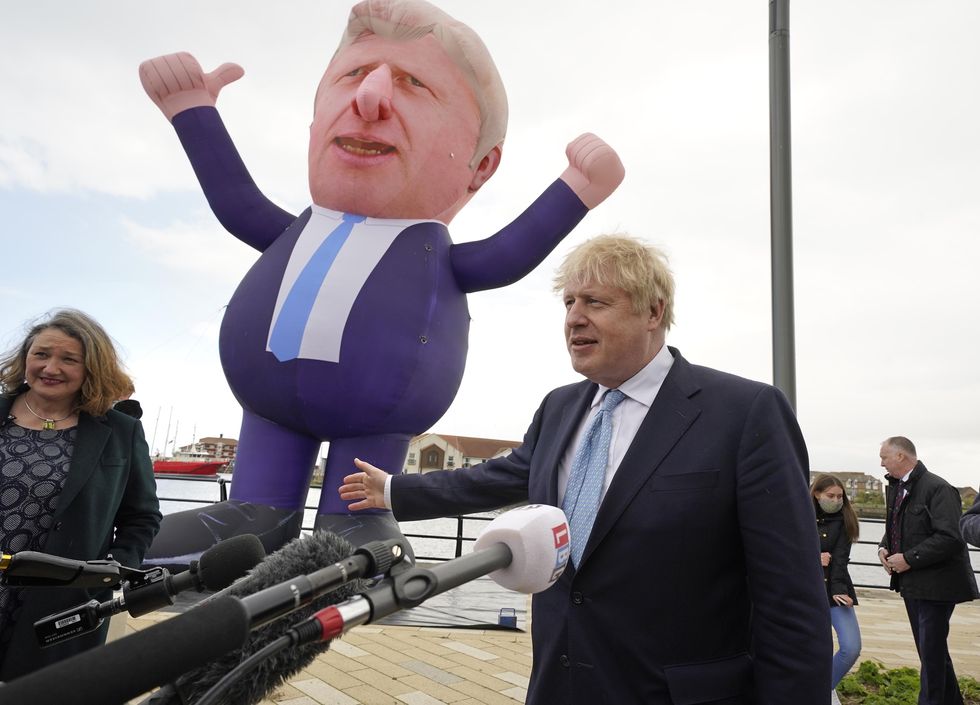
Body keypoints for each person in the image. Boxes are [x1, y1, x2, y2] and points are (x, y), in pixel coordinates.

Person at [138, 0, 624, 565]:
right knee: (258, 510)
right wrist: (192, 110)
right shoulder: (296, 230)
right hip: (264, 406)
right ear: (314, 122)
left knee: (355, 505)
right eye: (351, 76)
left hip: (378, 420)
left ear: (480, 165)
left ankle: (356, 523)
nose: (368, 99)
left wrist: (576, 190)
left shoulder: (429, 254)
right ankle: (253, 514)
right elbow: (235, 201)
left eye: (413, 84)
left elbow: (505, 256)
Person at [339, 234, 831, 704]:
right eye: (569, 303)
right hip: (561, 684)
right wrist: (396, 491)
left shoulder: (744, 413)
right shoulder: (560, 407)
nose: (574, 319)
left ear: (653, 312)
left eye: (595, 302)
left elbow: (791, 596)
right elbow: (501, 477)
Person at [0, 309, 161, 680]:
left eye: (69, 359)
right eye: (41, 354)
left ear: (92, 369)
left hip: (59, 602)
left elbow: (142, 516)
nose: (50, 367)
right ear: (25, 358)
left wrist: (108, 572)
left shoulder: (120, 432)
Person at [878, 436, 978, 705]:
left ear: (900, 456)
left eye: (884, 457)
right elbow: (895, 528)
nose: (881, 463)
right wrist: (883, 549)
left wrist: (908, 559)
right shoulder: (898, 487)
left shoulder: (939, 488)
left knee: (931, 655)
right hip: (914, 584)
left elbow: (951, 537)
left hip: (939, 585)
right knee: (932, 652)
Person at [811, 474, 862, 696]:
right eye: (830, 495)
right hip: (805, 592)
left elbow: (841, 559)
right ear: (816, 494)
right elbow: (782, 553)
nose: (836, 500)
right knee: (811, 650)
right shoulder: (797, 516)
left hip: (834, 588)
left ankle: (823, 690)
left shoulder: (845, 520)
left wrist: (841, 592)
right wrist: (813, 557)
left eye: (840, 496)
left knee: (851, 647)